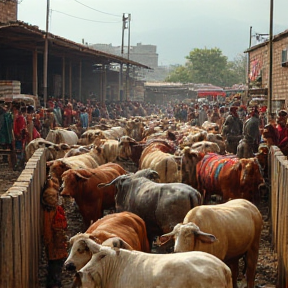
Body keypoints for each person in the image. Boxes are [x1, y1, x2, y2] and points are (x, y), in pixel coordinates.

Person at [42, 178, 68, 288]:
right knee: (55, 265)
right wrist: (47, 240)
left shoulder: (53, 210)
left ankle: (54, 281)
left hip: (58, 243)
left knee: (55, 264)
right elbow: (47, 230)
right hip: (55, 244)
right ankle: (54, 283)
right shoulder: (50, 212)